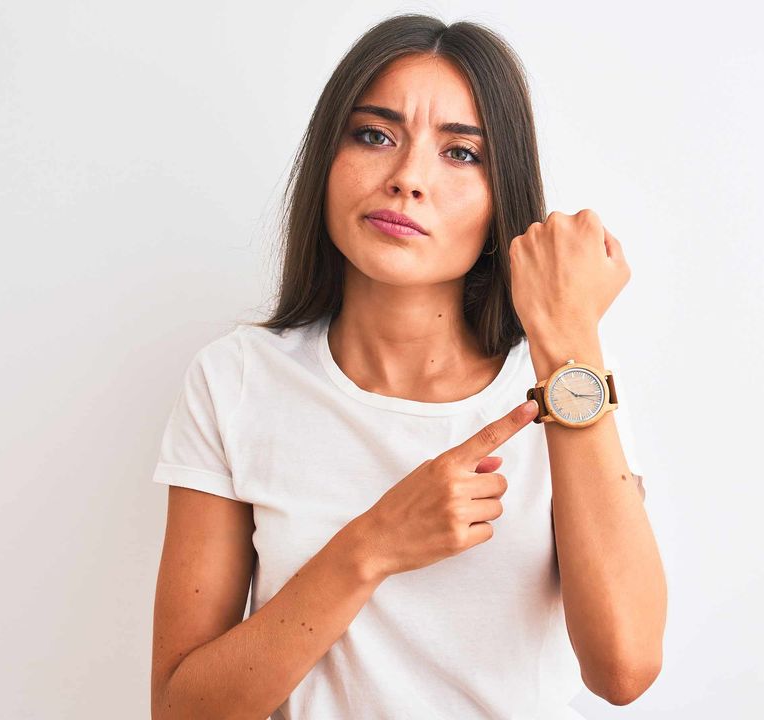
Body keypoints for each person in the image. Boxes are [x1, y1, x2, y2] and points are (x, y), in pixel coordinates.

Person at [149, 13, 664, 719]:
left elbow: (625, 668)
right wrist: (374, 544)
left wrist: (567, 339)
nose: (406, 178)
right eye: (373, 135)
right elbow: (183, 710)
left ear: (501, 195)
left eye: (460, 154)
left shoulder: (567, 386)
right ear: (326, 160)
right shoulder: (236, 381)